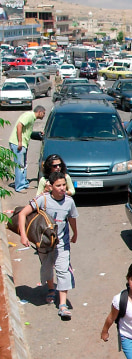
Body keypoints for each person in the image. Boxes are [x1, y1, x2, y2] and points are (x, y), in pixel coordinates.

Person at [18, 171, 78, 319]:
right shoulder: (42, 200)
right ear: (51, 186)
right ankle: (51, 288)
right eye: (58, 185)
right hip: (44, 244)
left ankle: (63, 305)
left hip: (62, 243)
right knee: (46, 266)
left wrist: (75, 233)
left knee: (63, 270)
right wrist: (23, 236)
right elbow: (22, 214)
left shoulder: (69, 202)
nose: (62, 188)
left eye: (64, 185)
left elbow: (71, 218)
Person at [9, 106, 46, 193]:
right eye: (44, 113)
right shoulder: (29, 116)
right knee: (20, 165)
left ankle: (24, 183)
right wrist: (20, 142)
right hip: (17, 143)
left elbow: (27, 132)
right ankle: (19, 187)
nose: (44, 115)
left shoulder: (32, 118)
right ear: (39, 112)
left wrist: (37, 134)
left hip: (23, 144)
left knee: (24, 164)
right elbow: (19, 126)